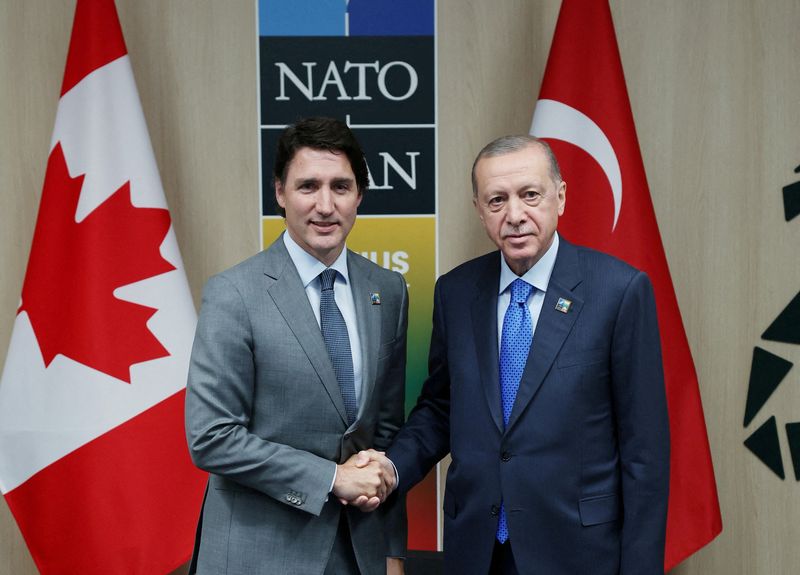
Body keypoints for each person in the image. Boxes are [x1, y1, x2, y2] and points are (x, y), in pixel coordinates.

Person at [372, 135, 670, 574]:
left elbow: (645, 455)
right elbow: (441, 409)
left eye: (530, 195)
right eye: (497, 200)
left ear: (561, 196)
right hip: (476, 551)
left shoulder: (619, 292)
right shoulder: (455, 292)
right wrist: (390, 469)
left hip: (578, 553)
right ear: (479, 209)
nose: (515, 215)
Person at [185, 117, 407, 575]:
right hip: (257, 554)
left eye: (340, 187)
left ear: (359, 196)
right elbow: (211, 437)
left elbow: (385, 437)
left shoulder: (388, 290)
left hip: (359, 554)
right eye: (308, 186)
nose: (325, 205)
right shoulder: (235, 293)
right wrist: (331, 478)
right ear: (281, 193)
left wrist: (391, 551)